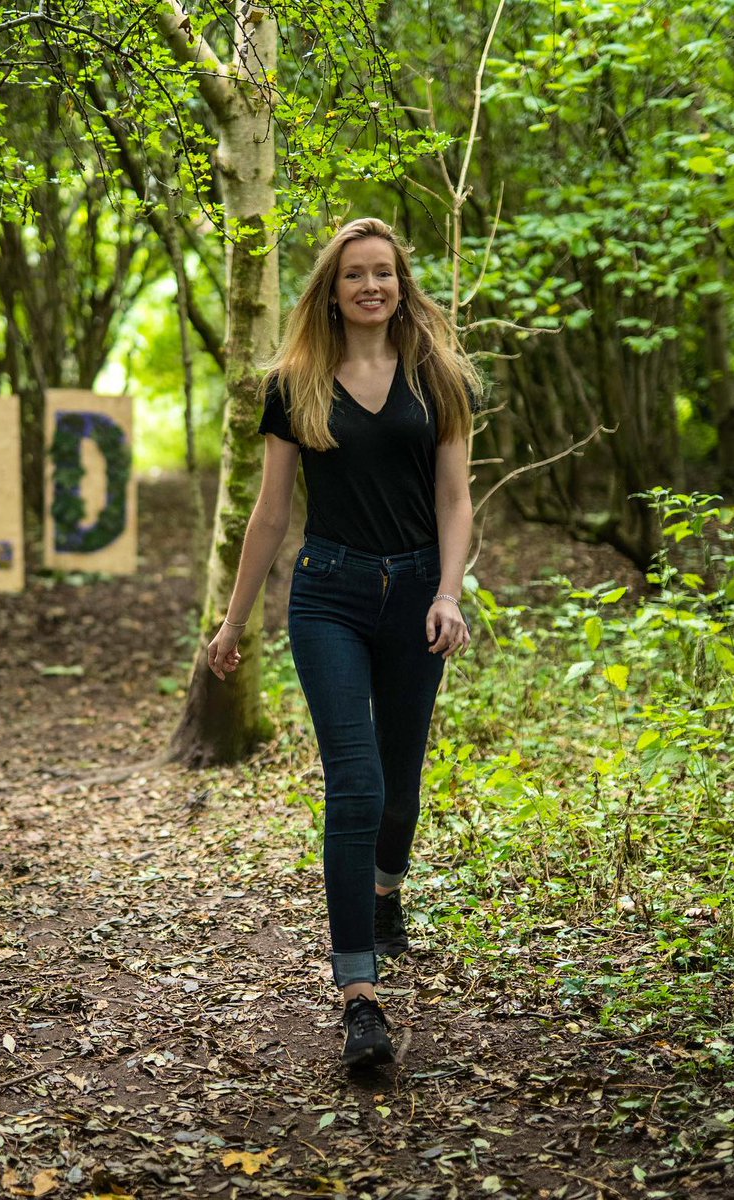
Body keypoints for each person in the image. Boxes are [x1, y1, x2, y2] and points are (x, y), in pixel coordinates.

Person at [207, 217, 479, 1069]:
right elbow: (270, 511)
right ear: (331, 290)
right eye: (354, 274)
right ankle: (359, 995)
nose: (371, 286)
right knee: (354, 784)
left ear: (401, 286)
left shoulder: (436, 376)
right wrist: (232, 617)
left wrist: (445, 593)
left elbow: (455, 499)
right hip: (327, 593)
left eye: (384, 274)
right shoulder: (295, 383)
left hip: (413, 600)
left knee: (400, 793)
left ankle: (387, 888)